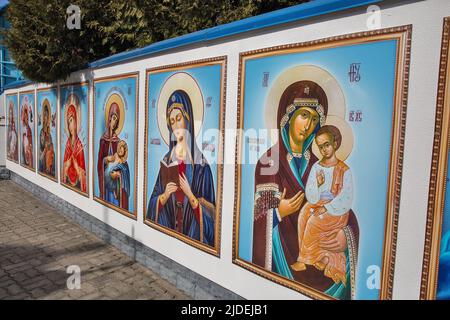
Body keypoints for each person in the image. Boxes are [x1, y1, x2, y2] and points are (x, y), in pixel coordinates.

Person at [252, 80, 359, 299]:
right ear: (287, 117)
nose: (308, 125)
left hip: (324, 258)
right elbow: (258, 217)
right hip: (283, 258)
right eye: (303, 115)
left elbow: (346, 208)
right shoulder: (268, 162)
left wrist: (344, 236)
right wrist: (278, 211)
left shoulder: (320, 164)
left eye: (313, 118)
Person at [147, 90, 216, 246]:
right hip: (170, 226)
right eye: (172, 122)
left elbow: (212, 217)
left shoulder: (201, 166)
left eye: (179, 119)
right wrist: (164, 196)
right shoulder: (167, 160)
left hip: (191, 233)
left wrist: (191, 196)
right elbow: (152, 201)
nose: (176, 126)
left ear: (187, 119)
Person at [291, 125, 353, 286]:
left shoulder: (344, 170)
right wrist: (318, 185)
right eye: (320, 146)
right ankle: (320, 256)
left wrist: (327, 207)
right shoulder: (317, 167)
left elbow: (346, 197)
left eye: (327, 145)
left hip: (336, 209)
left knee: (313, 221)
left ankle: (304, 259)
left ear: (335, 143)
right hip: (319, 202)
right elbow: (310, 195)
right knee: (304, 215)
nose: (324, 149)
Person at [97, 101, 129, 210]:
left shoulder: (118, 141)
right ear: (109, 118)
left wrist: (118, 173)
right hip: (106, 184)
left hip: (115, 185)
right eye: (114, 118)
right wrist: (106, 159)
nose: (114, 122)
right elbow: (99, 162)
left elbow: (123, 162)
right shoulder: (103, 140)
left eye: (117, 120)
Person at [63, 102, 87, 192]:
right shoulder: (67, 144)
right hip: (68, 181)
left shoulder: (79, 145)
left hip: (77, 184)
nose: (69, 126)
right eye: (68, 123)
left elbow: (83, 176)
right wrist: (67, 165)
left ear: (76, 122)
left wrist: (77, 167)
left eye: (71, 121)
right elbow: (64, 170)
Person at [103, 140, 130, 208]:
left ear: (125, 150)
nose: (120, 149)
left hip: (116, 192)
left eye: (122, 148)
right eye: (119, 147)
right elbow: (105, 162)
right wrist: (106, 159)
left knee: (115, 205)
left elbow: (125, 177)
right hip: (109, 189)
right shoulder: (114, 157)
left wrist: (119, 174)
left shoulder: (124, 165)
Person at [38, 102, 55, 176]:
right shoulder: (42, 132)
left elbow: (51, 144)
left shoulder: (49, 133)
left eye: (47, 116)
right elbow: (41, 146)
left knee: (51, 153)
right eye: (45, 115)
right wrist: (46, 147)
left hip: (48, 153)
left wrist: (50, 146)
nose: (46, 118)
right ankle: (47, 168)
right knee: (47, 153)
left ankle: (50, 169)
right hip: (43, 154)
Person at [21, 103, 33, 168]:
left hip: (28, 146)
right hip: (25, 145)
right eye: (25, 117)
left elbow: (30, 138)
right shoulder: (23, 128)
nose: (26, 119)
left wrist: (29, 145)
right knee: (25, 156)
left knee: (29, 157)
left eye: (27, 118)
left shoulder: (29, 129)